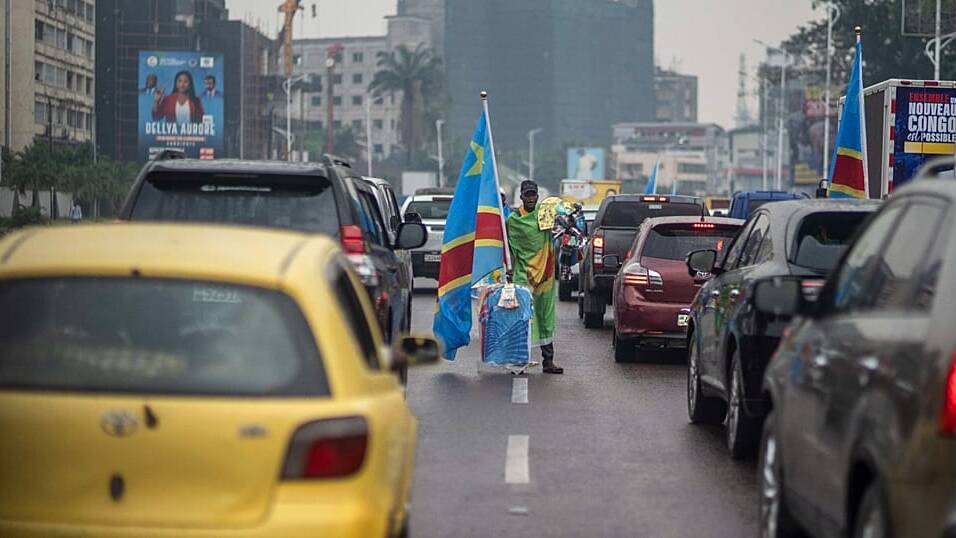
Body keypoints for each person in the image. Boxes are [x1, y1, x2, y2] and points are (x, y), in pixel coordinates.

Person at [506, 180, 563, 374]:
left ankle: (548, 361)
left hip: (545, 276)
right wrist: (509, 270)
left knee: (545, 316)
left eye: (533, 194)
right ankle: (518, 361)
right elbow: (511, 248)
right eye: (527, 195)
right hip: (524, 276)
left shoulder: (544, 214)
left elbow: (561, 214)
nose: (530, 198)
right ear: (521, 197)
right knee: (522, 318)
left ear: (537, 196)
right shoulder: (514, 220)